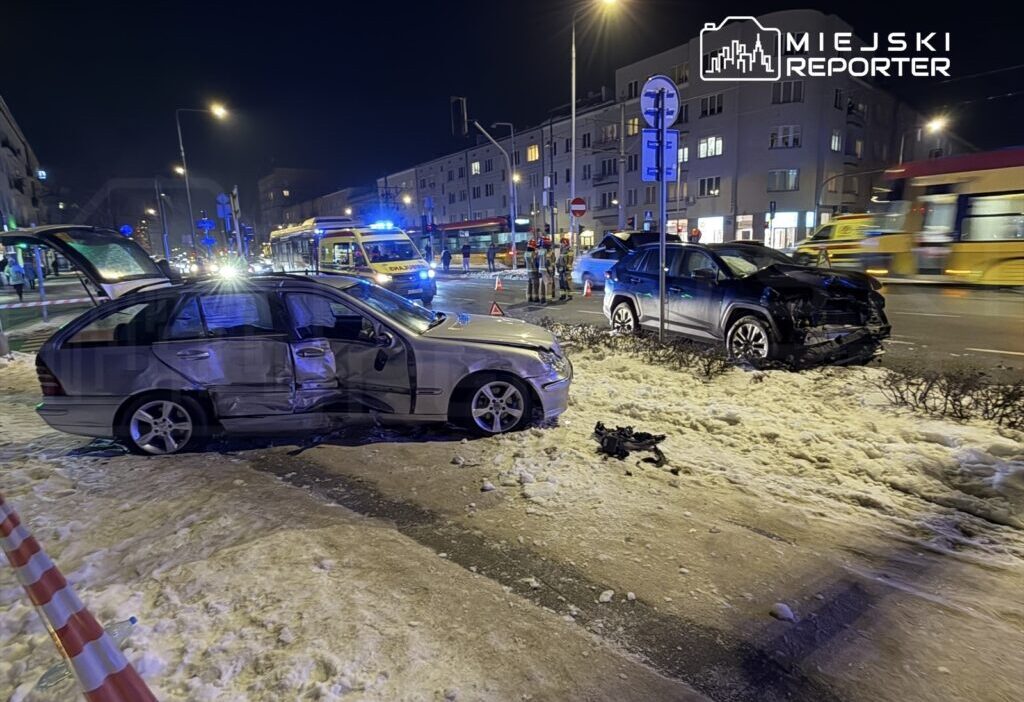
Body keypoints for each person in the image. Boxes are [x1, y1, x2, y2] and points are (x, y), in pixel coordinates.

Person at [524, 239, 540, 303]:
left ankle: (529, 297)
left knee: (529, 285)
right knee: (535, 285)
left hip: (528, 271)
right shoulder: (534, 254)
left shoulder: (525, 253)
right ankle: (536, 298)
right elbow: (536, 263)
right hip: (534, 271)